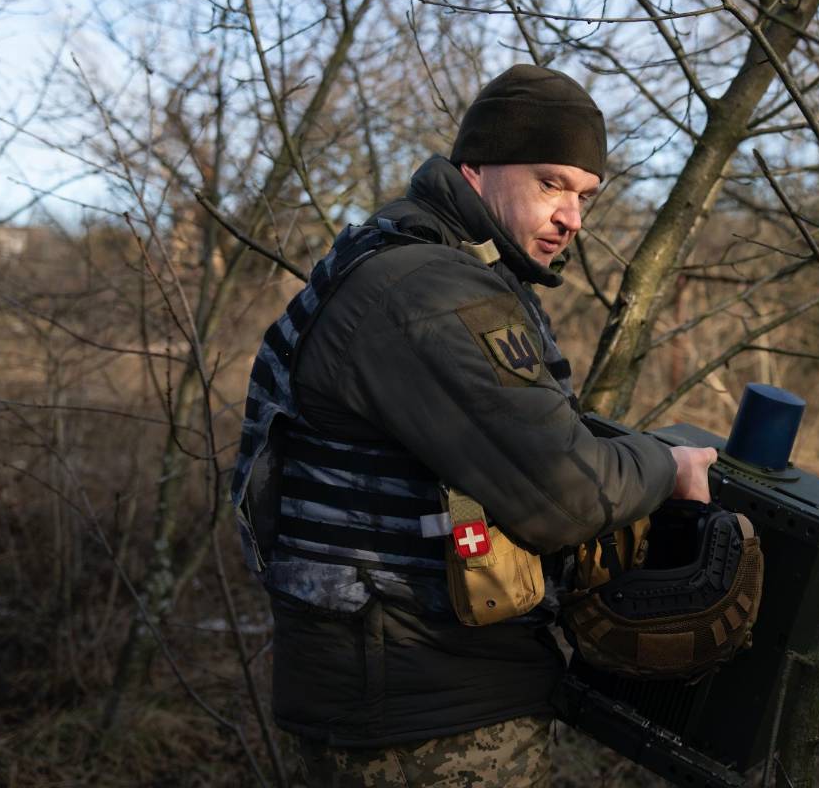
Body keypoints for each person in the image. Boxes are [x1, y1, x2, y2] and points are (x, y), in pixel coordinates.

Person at [231, 64, 717, 787]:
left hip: (414, 691)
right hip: (421, 713)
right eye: (551, 184)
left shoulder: (424, 270)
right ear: (477, 169)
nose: (573, 218)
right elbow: (565, 493)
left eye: (585, 196)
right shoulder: (429, 291)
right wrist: (669, 465)